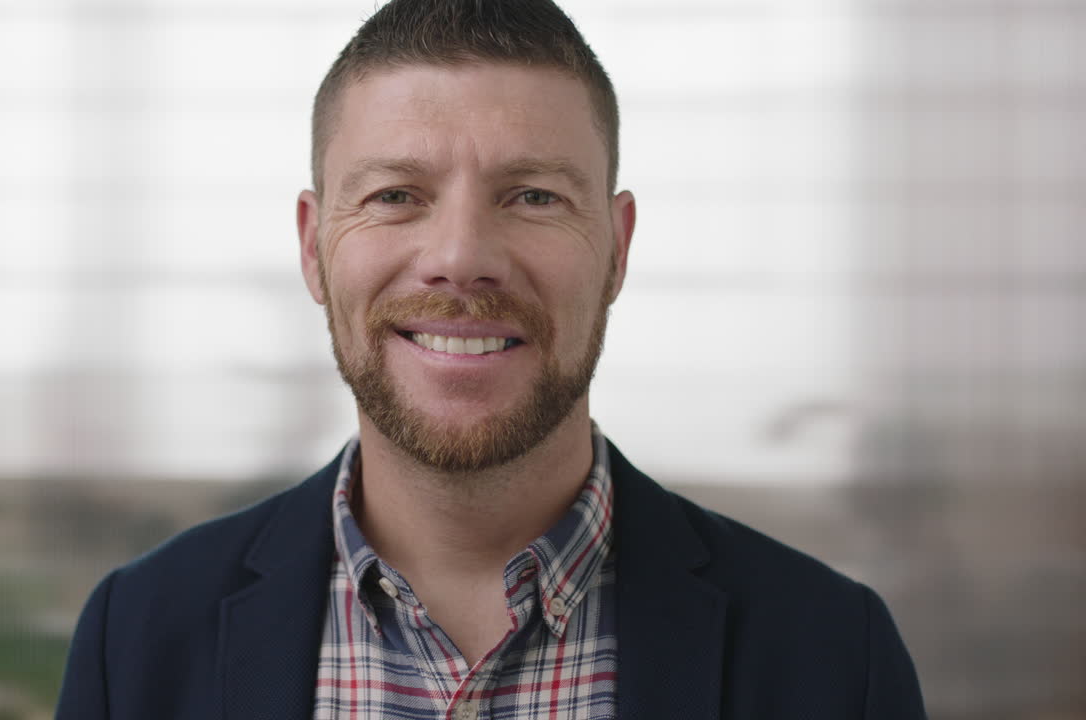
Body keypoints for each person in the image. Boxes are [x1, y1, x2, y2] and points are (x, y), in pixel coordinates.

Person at [55, 1, 928, 718]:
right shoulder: (136, 638)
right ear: (314, 247)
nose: (461, 253)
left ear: (617, 249)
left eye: (534, 196)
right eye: (397, 195)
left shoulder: (833, 656)